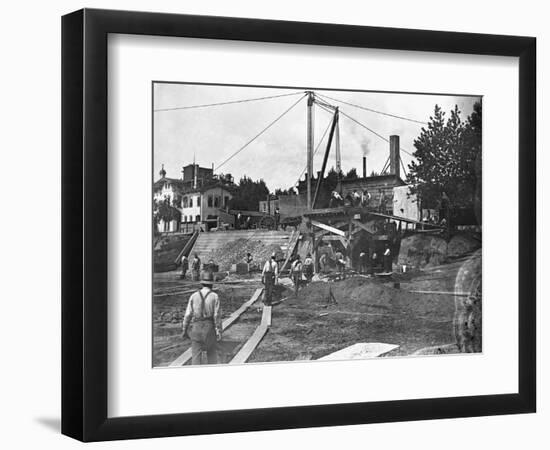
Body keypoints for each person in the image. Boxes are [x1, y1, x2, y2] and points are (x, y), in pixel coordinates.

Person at [181, 271, 222, 365]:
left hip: (196, 328)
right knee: (212, 356)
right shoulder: (215, 296)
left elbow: (187, 315)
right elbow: (217, 316)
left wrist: (184, 330)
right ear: (212, 283)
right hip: (209, 329)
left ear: (202, 283)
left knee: (195, 357)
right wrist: (219, 331)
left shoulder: (194, 296)